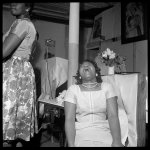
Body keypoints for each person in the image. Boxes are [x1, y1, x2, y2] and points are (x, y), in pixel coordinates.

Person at [64, 60, 124, 147]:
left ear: (96, 72)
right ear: (79, 75)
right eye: (82, 66)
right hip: (82, 131)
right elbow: (69, 119)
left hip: (103, 130)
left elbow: (113, 116)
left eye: (89, 65)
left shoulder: (107, 87)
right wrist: (71, 145)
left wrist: (116, 141)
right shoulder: (73, 89)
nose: (85, 66)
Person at [3, 3, 38, 147]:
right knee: (14, 121)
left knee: (8, 118)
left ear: (27, 7)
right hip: (19, 71)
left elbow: (4, 52)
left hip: (14, 72)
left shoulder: (23, 24)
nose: (13, 4)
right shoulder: (21, 23)